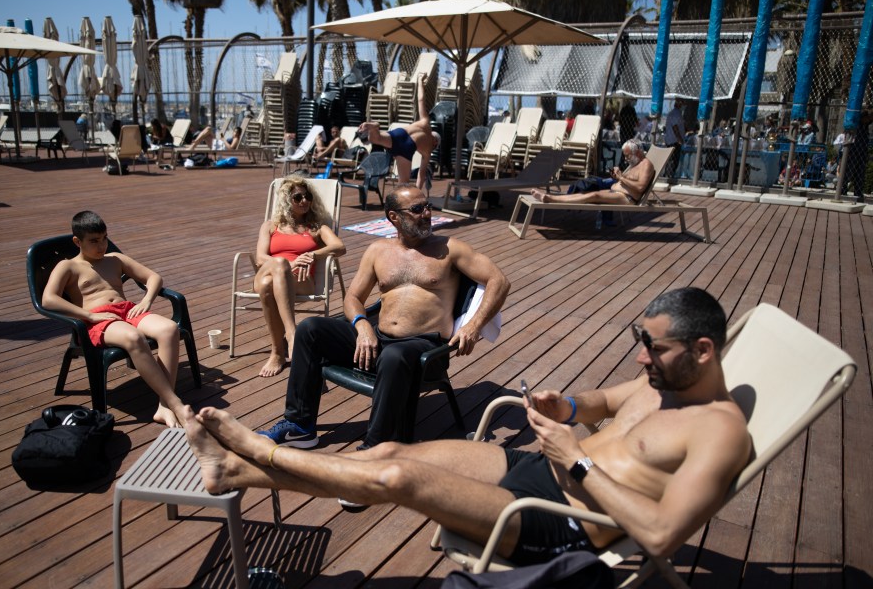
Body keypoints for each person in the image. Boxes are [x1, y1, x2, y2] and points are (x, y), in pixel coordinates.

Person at [184, 287, 751, 565]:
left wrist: (576, 457)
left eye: (654, 348)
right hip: (543, 469)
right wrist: (568, 407)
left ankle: (256, 456)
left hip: (563, 522)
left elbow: (659, 535)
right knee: (389, 452)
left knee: (399, 481)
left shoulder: (721, 433)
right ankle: (233, 469)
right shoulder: (660, 385)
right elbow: (603, 400)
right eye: (639, 343)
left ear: (703, 351)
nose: (641, 359)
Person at [257, 185, 509, 449]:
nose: (426, 214)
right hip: (377, 341)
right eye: (416, 209)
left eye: (427, 207)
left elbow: (499, 281)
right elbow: (353, 298)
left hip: (424, 351)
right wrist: (362, 324)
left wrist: (472, 326)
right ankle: (299, 427)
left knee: (393, 356)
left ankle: (375, 449)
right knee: (310, 329)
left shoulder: (450, 249)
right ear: (394, 217)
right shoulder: (378, 250)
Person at [41, 211, 187, 427]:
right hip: (98, 320)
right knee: (134, 337)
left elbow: (153, 277)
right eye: (93, 241)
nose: (101, 246)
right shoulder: (68, 266)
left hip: (127, 311)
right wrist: (89, 314)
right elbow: (48, 299)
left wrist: (146, 300)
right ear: (77, 241)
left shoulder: (115, 259)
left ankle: (164, 406)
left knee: (169, 329)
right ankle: (175, 403)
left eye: (104, 238)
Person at [252, 176, 346, 379]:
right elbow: (260, 258)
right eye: (298, 197)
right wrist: (288, 264)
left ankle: (277, 353)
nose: (304, 201)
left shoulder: (316, 227)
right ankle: (291, 334)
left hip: (301, 282)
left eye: (307, 196)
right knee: (278, 264)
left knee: (269, 284)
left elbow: (340, 247)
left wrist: (314, 255)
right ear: (287, 200)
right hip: (268, 272)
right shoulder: (270, 226)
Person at [359, 75, 441, 192]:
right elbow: (421, 175)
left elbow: (421, 100)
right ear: (435, 142)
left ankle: (374, 127)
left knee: (375, 139)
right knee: (403, 185)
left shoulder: (425, 123)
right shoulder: (427, 152)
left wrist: (420, 81)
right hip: (406, 148)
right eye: (435, 146)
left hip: (400, 133)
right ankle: (404, 201)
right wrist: (417, 191)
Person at [530, 139, 654, 206]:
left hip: (627, 198)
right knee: (585, 193)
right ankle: (553, 197)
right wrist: (618, 175)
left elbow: (640, 187)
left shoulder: (646, 165)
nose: (626, 159)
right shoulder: (635, 163)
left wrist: (621, 177)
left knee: (593, 196)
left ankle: (550, 199)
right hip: (616, 191)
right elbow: (629, 180)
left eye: (628, 156)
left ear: (637, 152)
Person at [844, 110, 870, 203]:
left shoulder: (865, 126)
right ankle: (843, 188)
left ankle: (858, 191)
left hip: (862, 151)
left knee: (860, 172)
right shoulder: (857, 126)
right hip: (854, 150)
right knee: (849, 171)